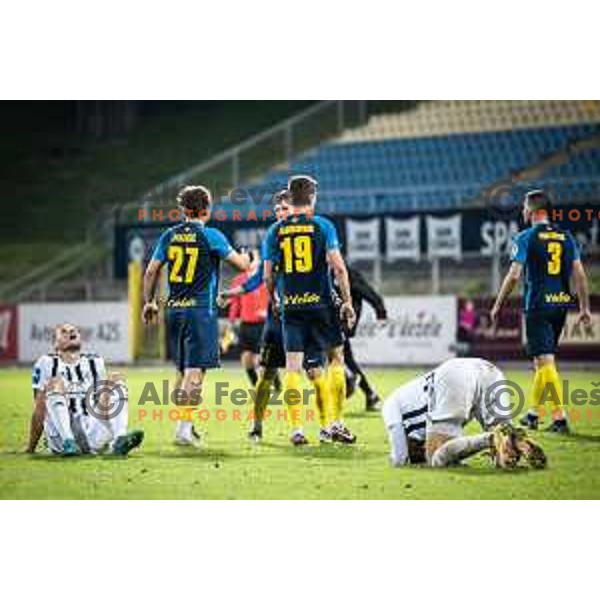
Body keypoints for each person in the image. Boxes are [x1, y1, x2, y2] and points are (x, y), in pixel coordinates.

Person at [143, 185, 250, 446]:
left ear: (183, 210)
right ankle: (183, 429)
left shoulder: (170, 235)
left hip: (174, 311)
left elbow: (150, 272)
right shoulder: (211, 236)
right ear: (206, 209)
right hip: (200, 311)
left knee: (182, 370)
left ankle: (184, 423)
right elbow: (241, 265)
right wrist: (249, 256)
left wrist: (149, 303)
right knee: (196, 372)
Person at [263, 175, 356, 445]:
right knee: (336, 360)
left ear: (290, 198)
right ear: (312, 197)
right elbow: (338, 268)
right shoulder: (323, 225)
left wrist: (275, 299)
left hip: (291, 307)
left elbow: (268, 276)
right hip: (322, 305)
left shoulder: (275, 231)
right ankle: (336, 423)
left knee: (292, 369)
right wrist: (347, 301)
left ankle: (296, 429)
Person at [490, 190, 591, 434]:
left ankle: (559, 418)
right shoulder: (566, 237)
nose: (523, 212)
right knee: (541, 362)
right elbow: (580, 274)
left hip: (538, 305)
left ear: (534, 211)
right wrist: (584, 307)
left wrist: (498, 303)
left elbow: (514, 275)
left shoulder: (525, 237)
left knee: (546, 362)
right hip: (560, 304)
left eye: (525, 208)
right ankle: (533, 414)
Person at [382, 357, 546, 469]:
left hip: (453, 376)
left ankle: (489, 438)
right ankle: (519, 441)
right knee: (503, 451)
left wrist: (403, 456)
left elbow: (400, 459)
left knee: (436, 458)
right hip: (488, 370)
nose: (419, 452)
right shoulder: (414, 418)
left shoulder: (390, 405)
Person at [27, 323, 143, 456]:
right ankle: (68, 442)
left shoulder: (95, 361)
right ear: (55, 344)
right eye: (63, 331)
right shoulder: (46, 362)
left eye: (73, 330)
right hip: (61, 436)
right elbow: (39, 408)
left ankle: (119, 440)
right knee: (55, 383)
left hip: (92, 433)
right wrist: (31, 447)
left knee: (116, 379)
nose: (70, 332)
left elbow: (103, 405)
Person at [337, 265, 387, 410]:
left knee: (325, 349)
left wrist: (380, 310)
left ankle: (348, 376)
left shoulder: (347, 272)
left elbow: (366, 291)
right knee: (347, 359)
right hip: (331, 321)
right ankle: (370, 395)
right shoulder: (323, 270)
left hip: (344, 321)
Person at [226, 249, 269, 387]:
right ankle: (256, 387)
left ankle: (274, 386)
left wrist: (267, 312)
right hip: (246, 324)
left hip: (262, 324)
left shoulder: (265, 278)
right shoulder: (238, 280)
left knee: (259, 360)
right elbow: (235, 303)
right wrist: (231, 322)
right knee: (246, 360)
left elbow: (274, 297)